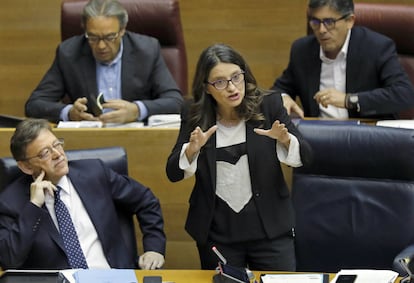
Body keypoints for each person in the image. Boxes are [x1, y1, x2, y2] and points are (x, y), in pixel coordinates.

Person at [166, 43, 312, 271]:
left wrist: (285, 140)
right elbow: (172, 173)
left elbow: (307, 156)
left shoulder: (269, 105)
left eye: (237, 77)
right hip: (217, 234)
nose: (232, 88)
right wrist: (191, 150)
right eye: (220, 82)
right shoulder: (194, 114)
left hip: (270, 230)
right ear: (206, 88)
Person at [0, 118, 166, 270]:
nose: (58, 155)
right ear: (26, 167)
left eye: (57, 145)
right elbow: (9, 260)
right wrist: (34, 206)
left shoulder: (94, 173)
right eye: (45, 153)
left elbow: (146, 200)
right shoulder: (10, 202)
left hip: (114, 277)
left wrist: (154, 249)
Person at [25, 0, 183, 124]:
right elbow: (34, 104)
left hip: (136, 136)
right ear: (84, 30)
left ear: (122, 30)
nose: (101, 45)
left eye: (109, 37)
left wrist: (136, 110)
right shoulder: (69, 53)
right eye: (93, 37)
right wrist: (69, 112)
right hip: (90, 139)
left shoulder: (147, 50)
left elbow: (175, 101)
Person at [271, 0, 414, 120]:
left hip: (367, 135)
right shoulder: (302, 50)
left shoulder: (376, 47)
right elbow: (279, 89)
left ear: (350, 21)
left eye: (329, 22)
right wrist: (283, 97)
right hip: (319, 136)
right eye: (315, 22)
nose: (321, 30)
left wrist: (349, 100)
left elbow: (404, 94)